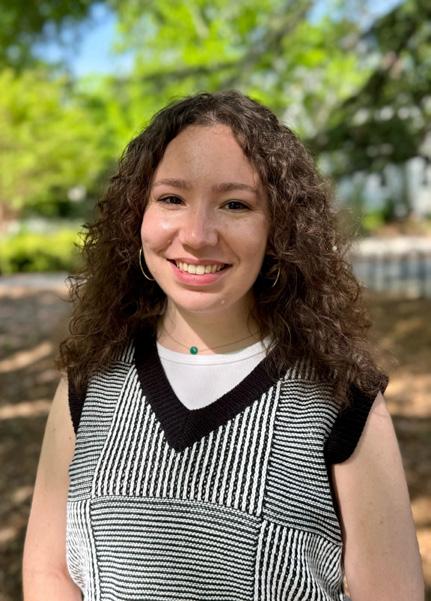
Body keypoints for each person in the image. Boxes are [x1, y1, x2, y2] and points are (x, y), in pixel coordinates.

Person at [22, 90, 424, 601]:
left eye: (235, 204)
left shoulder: (341, 397)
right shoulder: (89, 381)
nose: (197, 235)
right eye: (172, 198)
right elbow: (49, 573)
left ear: (280, 230)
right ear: (136, 215)